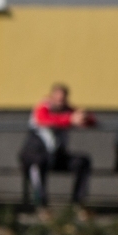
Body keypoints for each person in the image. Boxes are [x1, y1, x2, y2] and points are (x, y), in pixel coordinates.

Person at [20, 83, 94, 211]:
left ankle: (78, 204)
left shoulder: (67, 111)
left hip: (56, 156)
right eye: (57, 99)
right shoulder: (43, 107)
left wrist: (84, 117)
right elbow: (43, 119)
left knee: (82, 162)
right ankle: (42, 206)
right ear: (52, 97)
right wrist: (70, 119)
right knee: (38, 163)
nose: (60, 102)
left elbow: (91, 120)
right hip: (34, 154)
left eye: (63, 99)